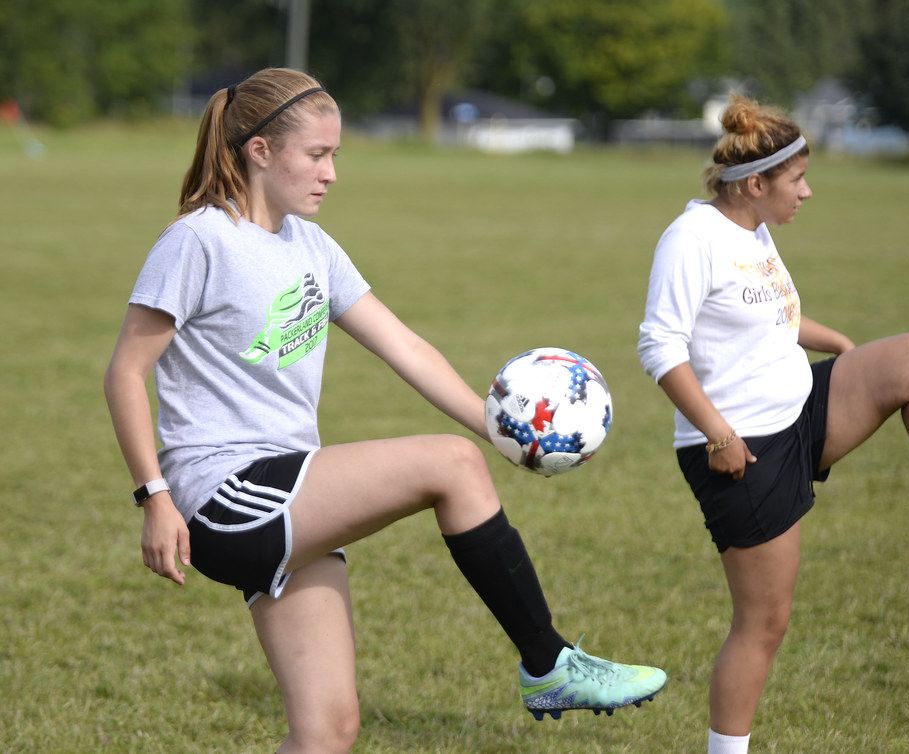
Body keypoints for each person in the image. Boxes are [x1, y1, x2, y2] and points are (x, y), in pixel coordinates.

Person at [104, 67, 666, 753]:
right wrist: (154, 497)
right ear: (259, 151)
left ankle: (545, 664)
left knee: (328, 733)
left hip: (289, 490)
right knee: (449, 465)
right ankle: (548, 664)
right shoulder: (199, 240)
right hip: (224, 495)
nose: (332, 173)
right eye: (317, 154)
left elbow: (404, 346)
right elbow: (126, 372)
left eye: (335, 155)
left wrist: (500, 431)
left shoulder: (310, 245)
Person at [637, 93, 909, 754]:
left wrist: (841, 345)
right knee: (764, 623)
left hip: (799, 407)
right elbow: (659, 348)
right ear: (755, 184)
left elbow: (776, 318)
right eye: (797, 180)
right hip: (742, 446)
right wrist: (720, 435)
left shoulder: (753, 230)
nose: (807, 193)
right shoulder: (693, 239)